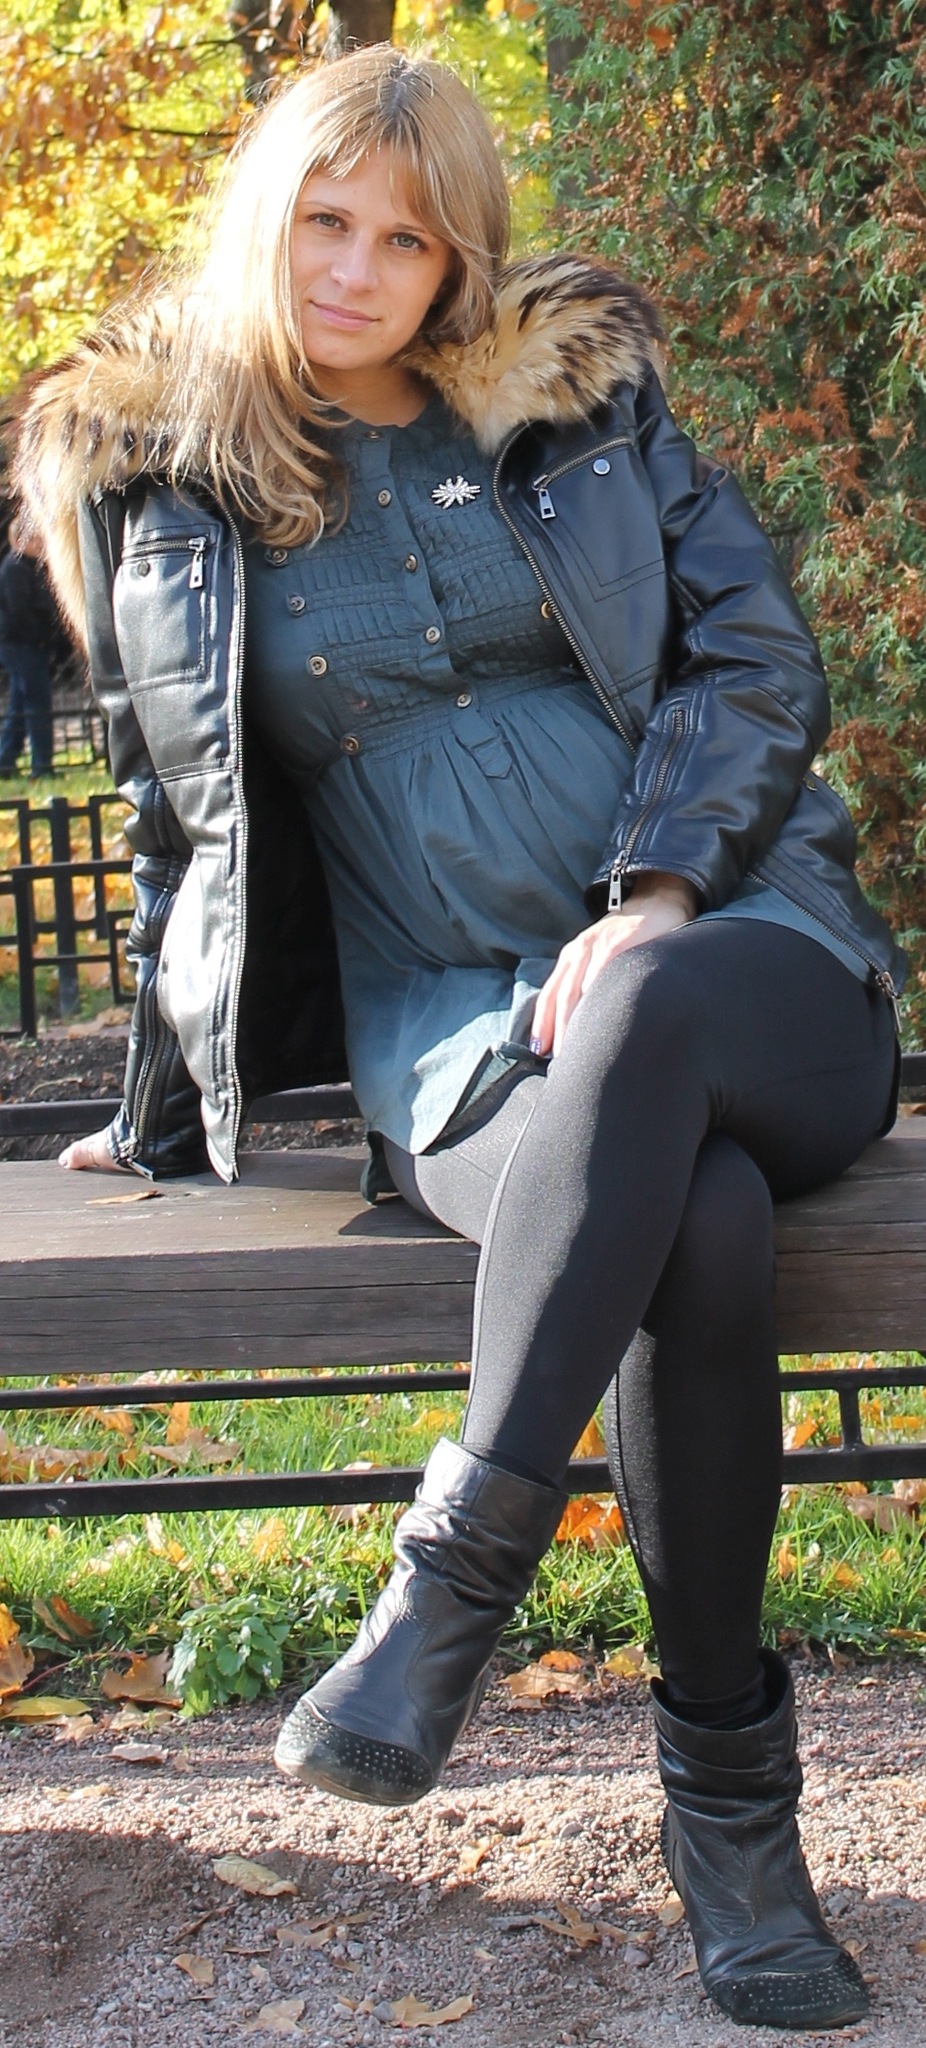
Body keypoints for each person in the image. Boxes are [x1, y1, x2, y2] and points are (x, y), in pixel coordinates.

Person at [15, 46, 905, 2031]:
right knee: (694, 1221)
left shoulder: (577, 409)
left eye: (404, 240)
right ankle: (734, 1822)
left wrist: (656, 890)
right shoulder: (165, 483)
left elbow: (755, 658)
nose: (355, 269)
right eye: (325, 222)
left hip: (739, 948)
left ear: (456, 261)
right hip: (459, 1031)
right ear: (265, 218)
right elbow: (181, 812)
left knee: (648, 1017)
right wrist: (161, 1103)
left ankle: (444, 1595)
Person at [0, 518, 57, 777]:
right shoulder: (15, 568)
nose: (40, 543)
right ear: (19, 540)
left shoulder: (29, 566)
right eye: (35, 538)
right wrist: (40, 636)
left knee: (20, 704)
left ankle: (5, 760)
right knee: (38, 704)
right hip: (21, 645)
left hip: (25, 644)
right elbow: (19, 610)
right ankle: (41, 765)